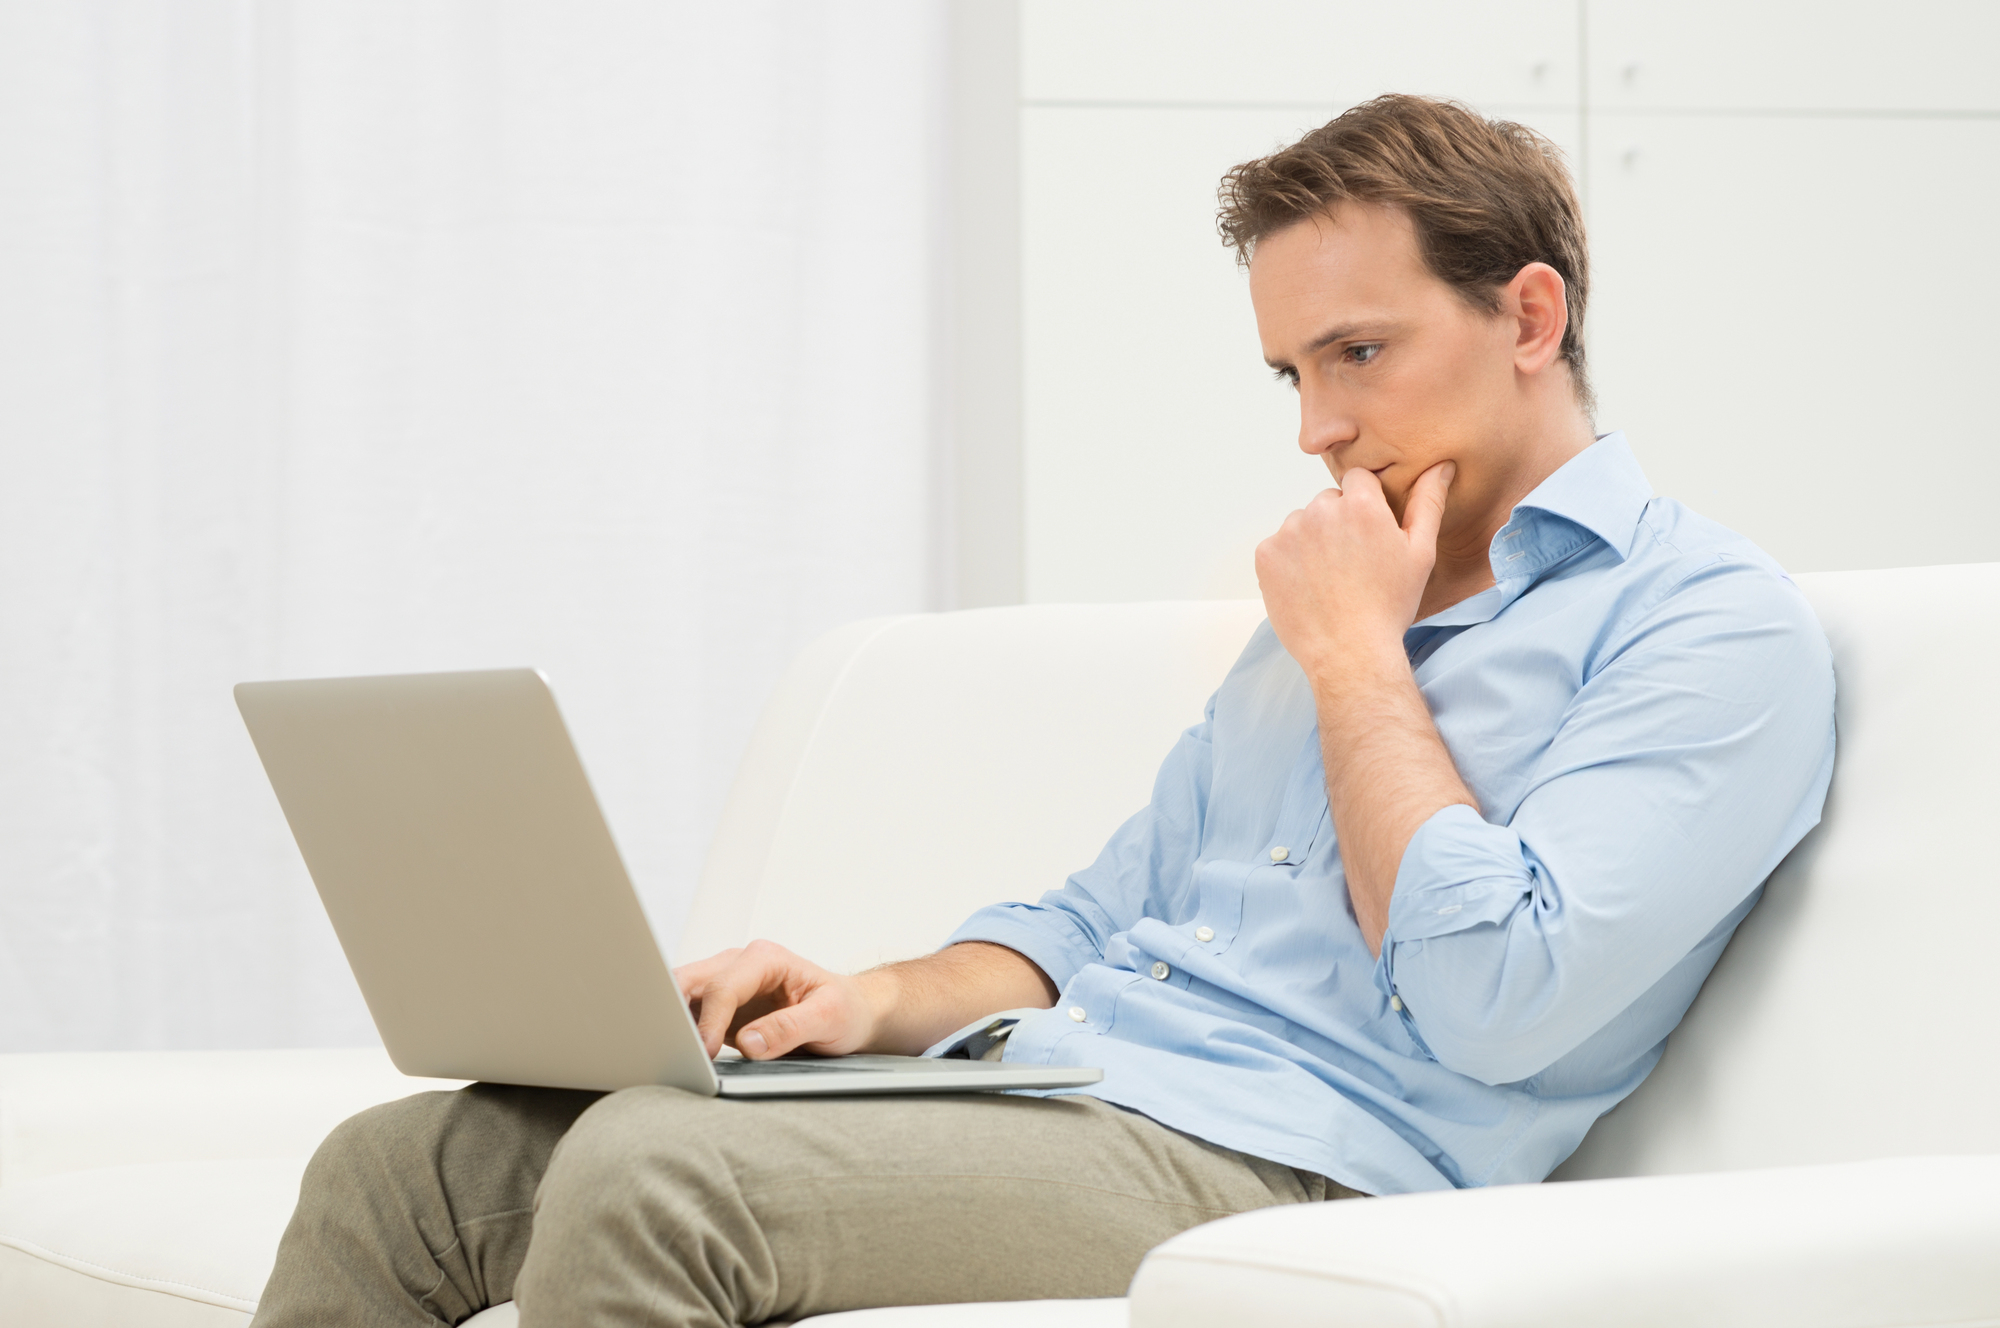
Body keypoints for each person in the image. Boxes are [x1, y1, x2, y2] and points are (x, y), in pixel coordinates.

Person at [253, 95, 1835, 1327]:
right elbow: (1099, 914)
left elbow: (1505, 1003)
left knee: (657, 1176)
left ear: (1533, 319)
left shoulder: (1704, 625)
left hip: (1311, 1166)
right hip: (1081, 1079)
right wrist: (875, 1000)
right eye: (1289, 372)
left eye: (1360, 352)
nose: (1320, 426)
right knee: (404, 1170)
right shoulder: (1343, 586)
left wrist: (1359, 663)